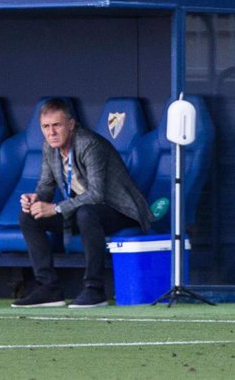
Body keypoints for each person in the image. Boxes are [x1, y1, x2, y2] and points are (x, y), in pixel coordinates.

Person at [12, 97, 153, 308]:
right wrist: (36, 199)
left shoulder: (89, 144)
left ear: (70, 124)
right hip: (82, 211)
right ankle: (49, 288)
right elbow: (45, 187)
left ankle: (95, 289)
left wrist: (57, 208)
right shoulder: (49, 147)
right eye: (46, 127)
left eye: (56, 125)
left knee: (87, 212)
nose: (51, 132)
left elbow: (97, 195)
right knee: (28, 216)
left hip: (121, 212)